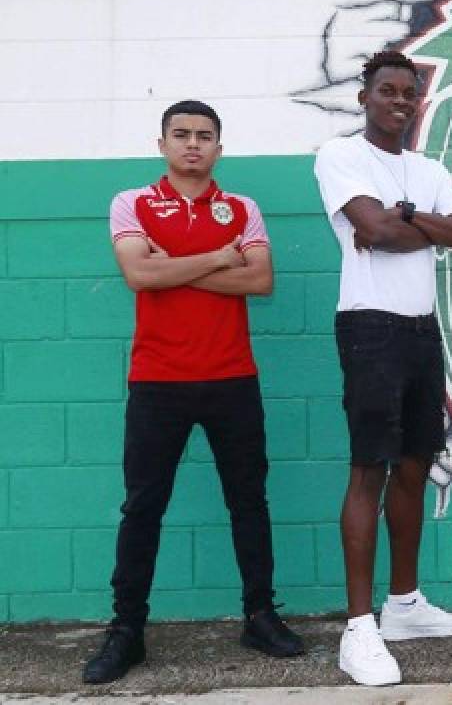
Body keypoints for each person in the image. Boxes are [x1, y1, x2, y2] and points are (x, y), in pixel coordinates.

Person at [85, 100, 303, 685]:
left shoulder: (242, 208)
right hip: (158, 381)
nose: (193, 145)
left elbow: (259, 279)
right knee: (142, 507)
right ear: (162, 143)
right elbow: (138, 274)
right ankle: (127, 629)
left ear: (218, 148)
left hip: (232, 377)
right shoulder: (131, 202)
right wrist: (214, 258)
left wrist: (173, 264)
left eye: (205, 136)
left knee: (248, 501)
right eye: (181, 135)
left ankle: (260, 615)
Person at [313, 48, 452, 687]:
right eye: (387, 90)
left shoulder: (426, 168)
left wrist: (408, 217)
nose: (399, 101)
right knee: (370, 471)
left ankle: (404, 606)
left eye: (408, 93)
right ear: (365, 96)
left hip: (422, 330)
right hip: (369, 329)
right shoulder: (341, 156)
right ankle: (358, 628)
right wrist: (407, 226)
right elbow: (371, 233)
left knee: (414, 465)